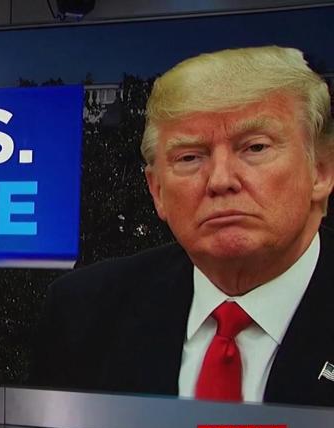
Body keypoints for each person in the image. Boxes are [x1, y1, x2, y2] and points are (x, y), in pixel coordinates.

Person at [34, 46, 334, 407]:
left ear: (321, 171)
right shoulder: (83, 312)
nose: (220, 180)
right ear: (157, 191)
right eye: (190, 157)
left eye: (255, 148)